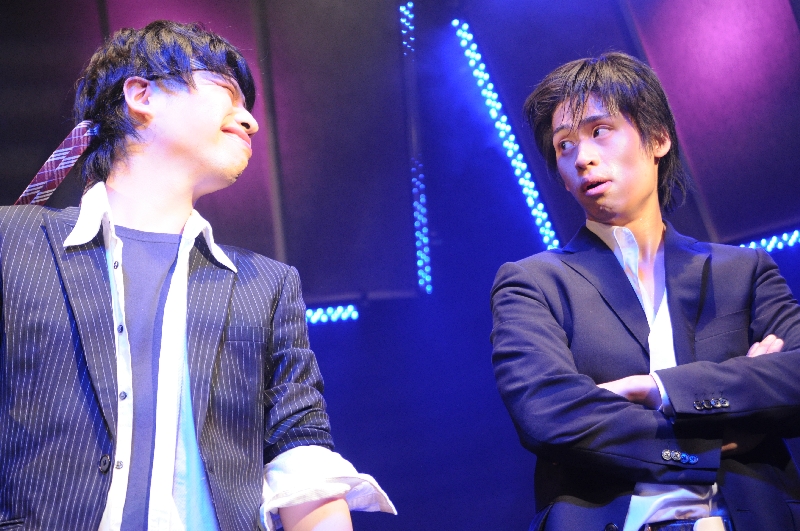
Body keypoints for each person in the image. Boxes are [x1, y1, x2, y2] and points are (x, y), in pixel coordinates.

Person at [0, 21, 394, 531]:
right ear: (142, 95)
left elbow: (302, 458)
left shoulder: (266, 285)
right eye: (227, 92)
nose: (250, 121)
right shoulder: (14, 242)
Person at [490, 52, 800, 531]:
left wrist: (656, 389)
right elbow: (548, 414)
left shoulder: (743, 270)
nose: (582, 157)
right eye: (564, 144)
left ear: (658, 138)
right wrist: (711, 439)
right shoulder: (534, 282)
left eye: (599, 131)